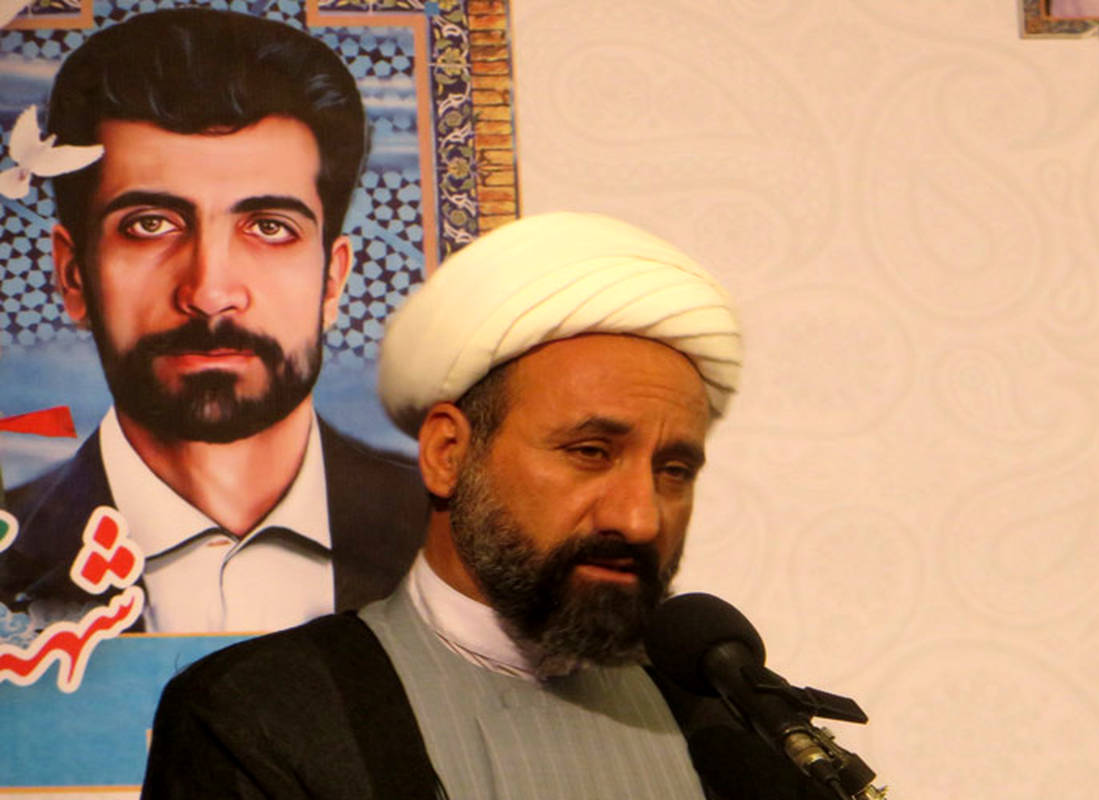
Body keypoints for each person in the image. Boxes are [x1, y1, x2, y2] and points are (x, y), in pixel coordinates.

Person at [143, 212, 818, 799]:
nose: (639, 518)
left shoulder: (733, 730)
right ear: (447, 453)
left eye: (673, 471)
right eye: (590, 452)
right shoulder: (262, 716)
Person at [0, 9, 427, 634]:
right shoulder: (10, 551)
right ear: (73, 276)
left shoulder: (449, 539)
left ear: (333, 280)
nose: (209, 293)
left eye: (269, 227)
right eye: (150, 225)